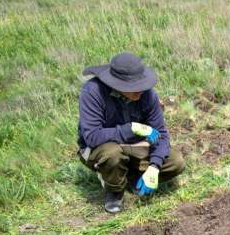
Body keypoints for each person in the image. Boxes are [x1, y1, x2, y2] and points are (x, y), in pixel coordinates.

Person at [77, 52, 184, 213]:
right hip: (101, 148)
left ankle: (133, 178)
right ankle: (114, 190)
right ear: (117, 85)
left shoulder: (147, 95)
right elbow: (92, 136)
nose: (140, 90)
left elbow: (161, 133)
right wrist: (130, 129)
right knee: (112, 154)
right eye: (133, 87)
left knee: (176, 161)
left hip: (134, 146)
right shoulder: (93, 92)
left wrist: (154, 167)